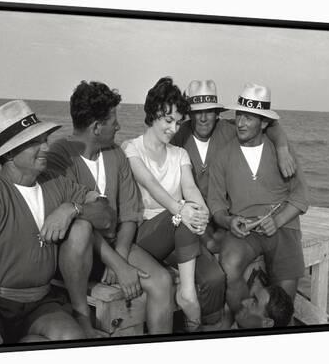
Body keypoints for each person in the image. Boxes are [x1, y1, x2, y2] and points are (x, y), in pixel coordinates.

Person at [0, 100, 115, 345]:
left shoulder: (55, 183)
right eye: (35, 142)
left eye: (45, 139)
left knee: (72, 339)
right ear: (10, 153)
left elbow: (106, 216)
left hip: (40, 303)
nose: (46, 147)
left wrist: (73, 208)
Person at [47, 80, 174, 335]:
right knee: (81, 227)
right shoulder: (60, 156)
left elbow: (129, 214)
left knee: (162, 281)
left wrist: (122, 256)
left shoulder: (115, 154)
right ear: (96, 127)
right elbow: (74, 224)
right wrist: (116, 264)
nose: (118, 125)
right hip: (77, 254)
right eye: (112, 120)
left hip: (116, 246)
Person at [122, 77, 225, 331]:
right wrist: (181, 209)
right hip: (146, 234)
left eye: (178, 122)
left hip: (181, 228)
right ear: (153, 113)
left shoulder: (179, 154)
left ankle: (199, 331)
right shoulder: (131, 148)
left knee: (215, 278)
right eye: (168, 120)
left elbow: (190, 188)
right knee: (178, 216)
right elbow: (149, 184)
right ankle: (187, 294)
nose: (174, 128)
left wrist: (202, 213)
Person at [207, 83, 309, 326]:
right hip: (244, 229)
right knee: (229, 265)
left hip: (283, 226)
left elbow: (301, 196)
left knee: (284, 297)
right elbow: (216, 205)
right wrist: (230, 221)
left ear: (264, 123)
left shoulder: (281, 151)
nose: (240, 122)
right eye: (239, 115)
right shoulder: (223, 155)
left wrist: (279, 220)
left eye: (249, 117)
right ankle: (248, 324)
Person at [170, 79, 296, 252]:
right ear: (189, 114)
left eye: (209, 111)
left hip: (223, 215)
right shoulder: (178, 136)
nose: (204, 118)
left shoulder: (229, 130)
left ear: (217, 113)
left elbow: (270, 125)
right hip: (193, 214)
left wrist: (282, 150)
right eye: (198, 112)